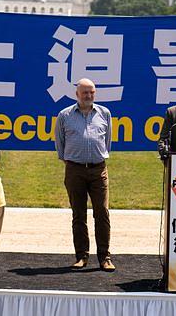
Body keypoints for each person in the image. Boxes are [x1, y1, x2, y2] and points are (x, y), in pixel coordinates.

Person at [55, 78, 115, 272]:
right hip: (75, 169)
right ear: (77, 94)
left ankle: (104, 257)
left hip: (98, 169)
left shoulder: (104, 113)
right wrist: (73, 161)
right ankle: (81, 256)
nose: (88, 96)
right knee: (78, 214)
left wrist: (96, 158)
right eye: (85, 93)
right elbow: (60, 144)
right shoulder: (64, 115)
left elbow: (107, 142)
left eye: (92, 92)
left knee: (102, 213)